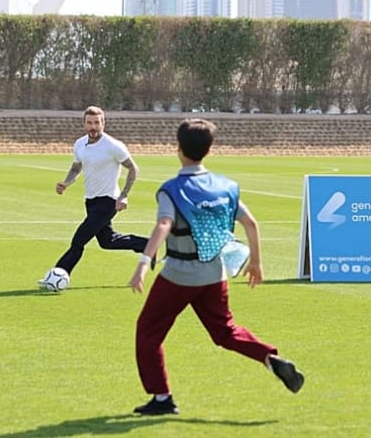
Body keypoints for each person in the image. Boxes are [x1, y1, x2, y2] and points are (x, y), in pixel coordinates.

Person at [128, 118, 304, 415]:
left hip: (179, 276)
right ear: (209, 150)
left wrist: (144, 262)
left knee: (148, 331)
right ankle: (271, 359)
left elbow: (164, 224)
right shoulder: (226, 187)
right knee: (225, 331)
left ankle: (162, 398)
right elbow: (251, 223)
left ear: (178, 149)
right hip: (214, 274)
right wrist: (257, 263)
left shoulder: (172, 189)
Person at [40, 105, 151, 285]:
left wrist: (123, 195)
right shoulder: (79, 144)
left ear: (103, 123)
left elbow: (133, 168)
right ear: (84, 124)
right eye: (90, 123)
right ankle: (146, 244)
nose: (93, 127)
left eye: (97, 123)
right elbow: (76, 167)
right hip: (90, 201)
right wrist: (66, 182)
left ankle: (56, 276)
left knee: (78, 241)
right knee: (107, 241)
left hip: (108, 201)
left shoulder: (113, 145)